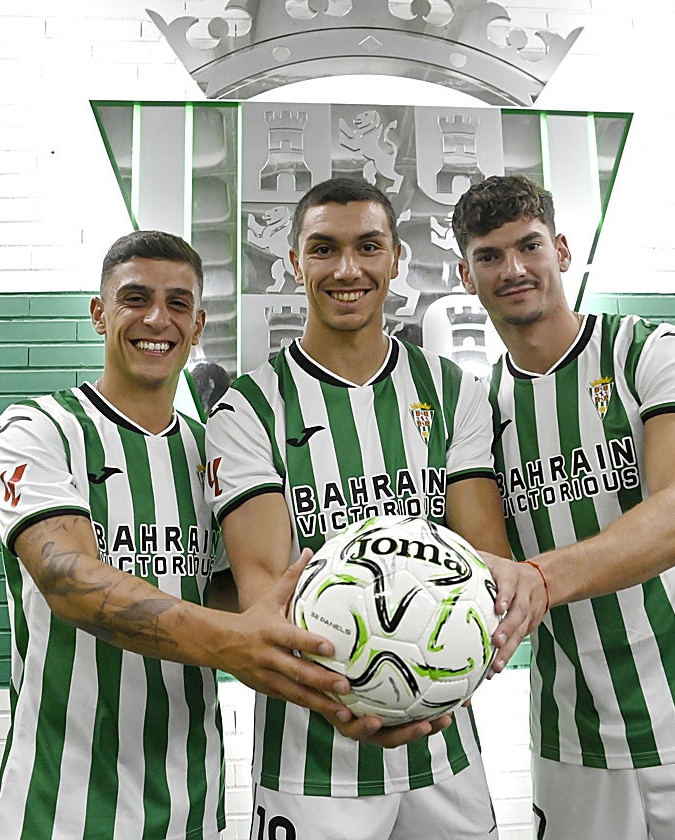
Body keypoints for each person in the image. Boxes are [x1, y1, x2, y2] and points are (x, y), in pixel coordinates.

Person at [0, 230, 373, 840]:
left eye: (178, 304)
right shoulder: (39, 429)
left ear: (197, 327)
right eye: (134, 298)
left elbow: (233, 600)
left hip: (194, 806)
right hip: (59, 808)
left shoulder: (211, 451)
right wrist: (233, 642)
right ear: (98, 313)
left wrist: (343, 683)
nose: (156, 319)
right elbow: (68, 581)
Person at [453, 175, 675, 840]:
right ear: (466, 277)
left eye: (528, 246)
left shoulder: (654, 349)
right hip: (574, 743)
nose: (514, 269)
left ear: (561, 249)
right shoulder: (475, 408)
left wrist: (541, 580)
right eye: (489, 256)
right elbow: (486, 566)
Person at [204, 178, 538, 840]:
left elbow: (481, 560)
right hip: (309, 760)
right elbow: (267, 594)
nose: (347, 269)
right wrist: (346, 696)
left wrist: (508, 603)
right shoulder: (249, 408)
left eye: (368, 247)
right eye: (324, 249)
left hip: (444, 746)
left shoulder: (451, 391)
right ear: (294, 263)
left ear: (396, 262)